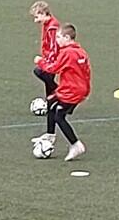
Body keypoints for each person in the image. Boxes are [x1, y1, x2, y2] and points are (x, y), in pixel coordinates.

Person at [39, 23, 91, 163]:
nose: (57, 40)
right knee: (50, 102)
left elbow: (52, 69)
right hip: (78, 88)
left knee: (58, 115)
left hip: (72, 90)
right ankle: (50, 136)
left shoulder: (67, 53)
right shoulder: (80, 51)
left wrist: (40, 62)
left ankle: (76, 145)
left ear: (67, 37)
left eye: (59, 37)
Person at [29, 1, 61, 110]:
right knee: (48, 79)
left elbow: (54, 46)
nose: (35, 20)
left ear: (43, 13)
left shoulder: (53, 27)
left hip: (53, 59)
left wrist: (48, 60)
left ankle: (59, 93)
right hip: (49, 57)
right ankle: (51, 101)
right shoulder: (48, 24)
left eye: (37, 17)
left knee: (40, 72)